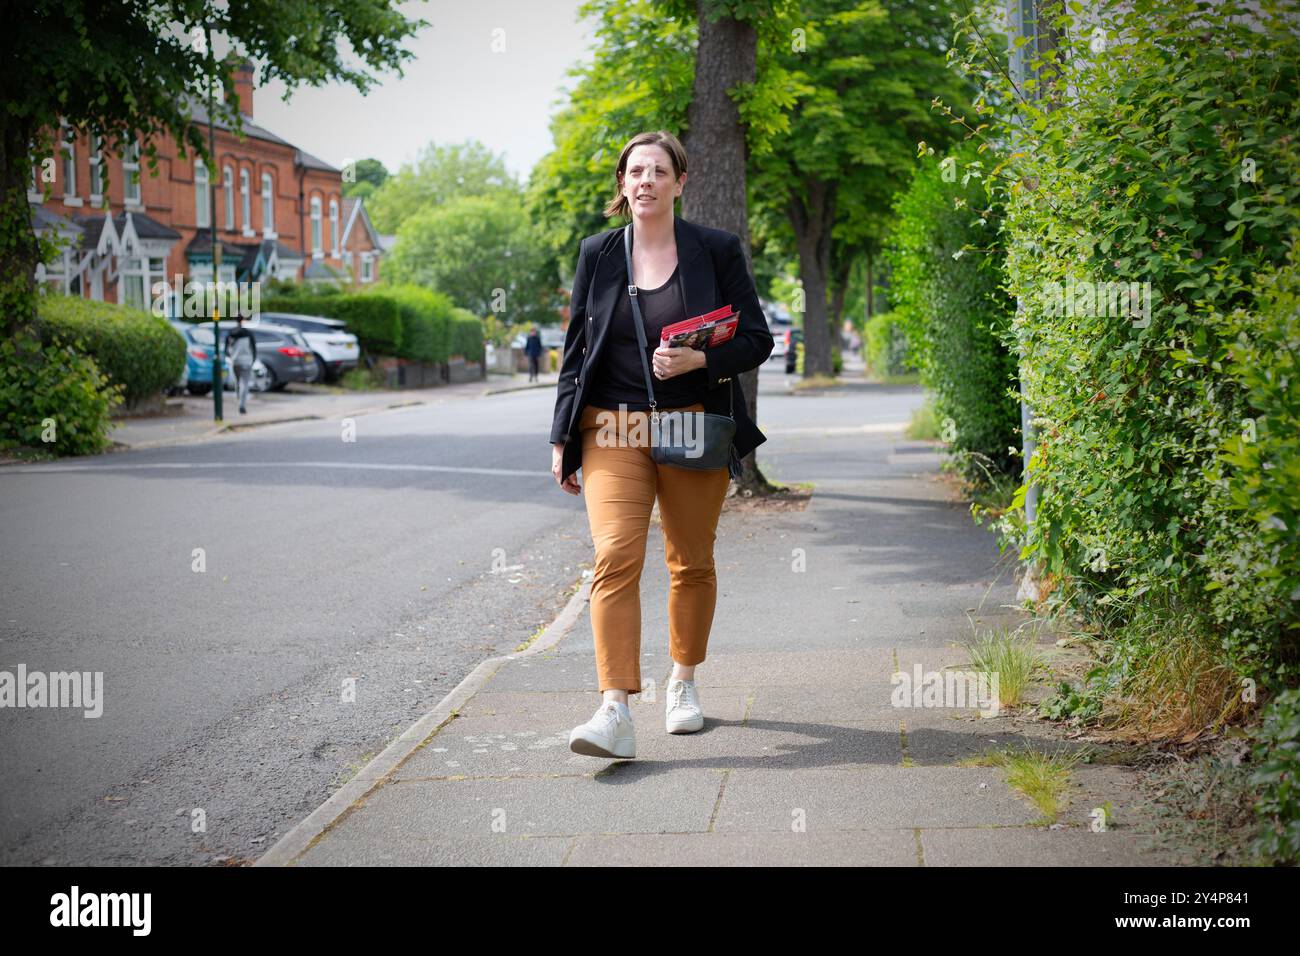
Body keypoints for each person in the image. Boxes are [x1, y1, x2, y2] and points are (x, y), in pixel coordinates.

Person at [549, 129, 774, 759]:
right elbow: (575, 352)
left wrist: (699, 365)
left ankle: (683, 683)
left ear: (679, 182)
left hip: (691, 425)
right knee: (615, 555)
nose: (645, 180)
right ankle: (614, 709)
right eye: (634, 171)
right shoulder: (596, 254)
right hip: (610, 428)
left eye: (658, 170)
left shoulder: (716, 250)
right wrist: (562, 437)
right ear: (622, 185)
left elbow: (757, 339)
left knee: (690, 560)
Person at [224, 317, 257, 415]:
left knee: (237, 382)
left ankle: (239, 398)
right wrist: (252, 360)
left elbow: (226, 350)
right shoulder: (248, 334)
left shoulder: (230, 334)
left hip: (235, 361)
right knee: (244, 383)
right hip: (246, 361)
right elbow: (254, 349)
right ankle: (242, 404)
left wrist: (231, 357)